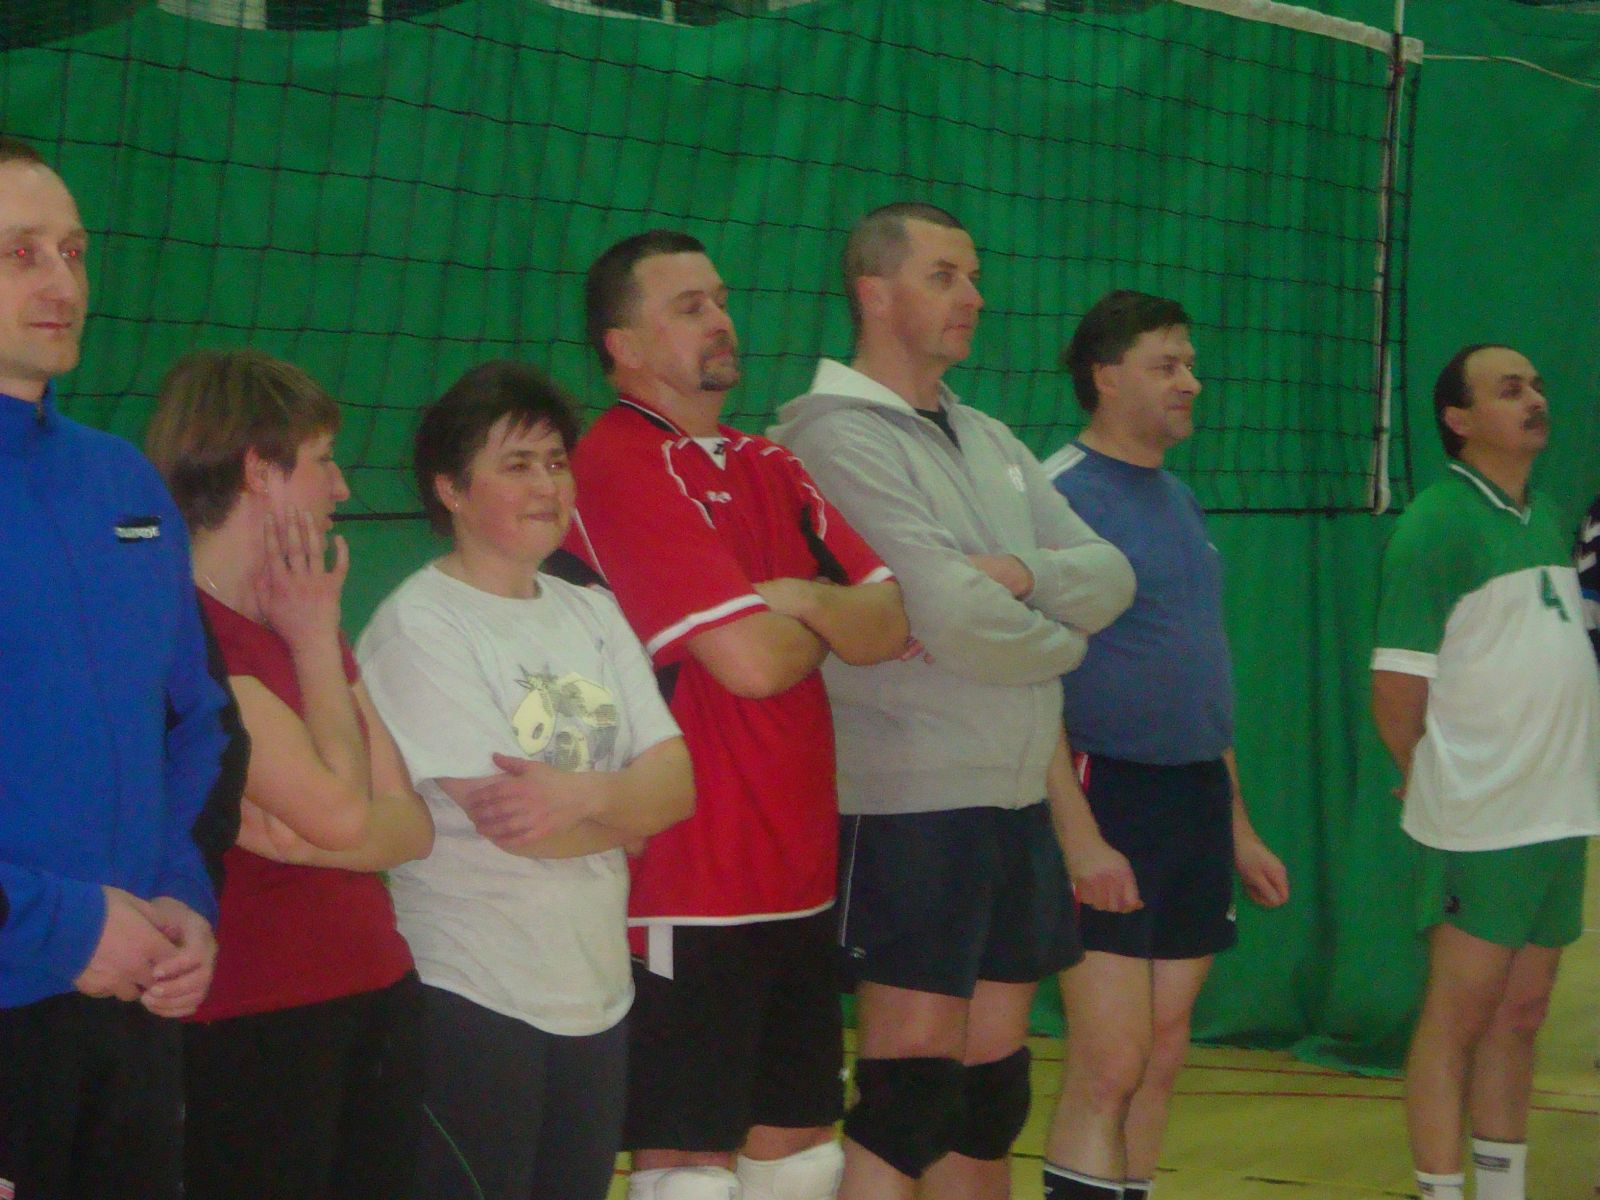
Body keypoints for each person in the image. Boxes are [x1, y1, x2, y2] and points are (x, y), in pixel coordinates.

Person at [770, 202, 1135, 1200]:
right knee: (911, 1090)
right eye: (943, 276)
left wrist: (1019, 580)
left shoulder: (990, 437)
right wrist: (1057, 634)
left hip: (1010, 795)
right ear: (874, 294)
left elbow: (1110, 573)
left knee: (990, 1092)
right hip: (908, 801)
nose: (971, 296)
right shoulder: (830, 438)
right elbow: (947, 612)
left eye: (972, 276)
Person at [568, 230, 909, 1200]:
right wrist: (821, 615)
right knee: (688, 1169)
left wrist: (794, 599)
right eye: (688, 307)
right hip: (688, 878)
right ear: (623, 346)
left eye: (719, 299)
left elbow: (890, 621)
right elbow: (752, 664)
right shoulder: (615, 461)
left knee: (800, 1158)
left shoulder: (773, 462)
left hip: (797, 872)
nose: (720, 319)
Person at [357, 360, 694, 1200]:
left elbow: (677, 786)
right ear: (451, 489)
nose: (548, 484)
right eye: (517, 464)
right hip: (471, 990)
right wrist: (626, 811)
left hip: (596, 993)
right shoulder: (420, 625)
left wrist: (584, 796)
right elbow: (518, 827)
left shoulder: (592, 610)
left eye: (555, 461)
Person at [0, 135, 245, 1199]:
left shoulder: (123, 483)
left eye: (74, 251)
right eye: (20, 253)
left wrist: (180, 895)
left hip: (133, 1005)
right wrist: (56, 925)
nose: (62, 283)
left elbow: (199, 720)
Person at [143, 348, 435, 1199]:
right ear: (259, 472)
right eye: (321, 460)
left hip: (378, 989)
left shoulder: (301, 613)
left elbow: (412, 827)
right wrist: (312, 647)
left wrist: (319, 840)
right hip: (252, 1018)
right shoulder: (185, 633)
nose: (340, 486)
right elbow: (351, 814)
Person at [1037, 290, 1289, 1200]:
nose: (1191, 382)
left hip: (1193, 802)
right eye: (1166, 365)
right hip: (1105, 793)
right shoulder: (1056, 495)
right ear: (1106, 377)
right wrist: (1080, 837)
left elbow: (1197, 681)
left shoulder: (1179, 500)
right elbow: (1027, 685)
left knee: (1162, 1053)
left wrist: (1238, 827)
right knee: (1111, 1061)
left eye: (1190, 364)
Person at [1371, 344, 1600, 1200]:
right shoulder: (1437, 523)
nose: (1534, 399)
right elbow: (1396, 687)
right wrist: (1427, 773)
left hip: (1558, 814)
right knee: (1457, 1018)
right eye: (1510, 390)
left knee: (1522, 1015)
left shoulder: (1544, 516)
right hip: (1484, 821)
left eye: (1536, 385)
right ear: (1459, 420)